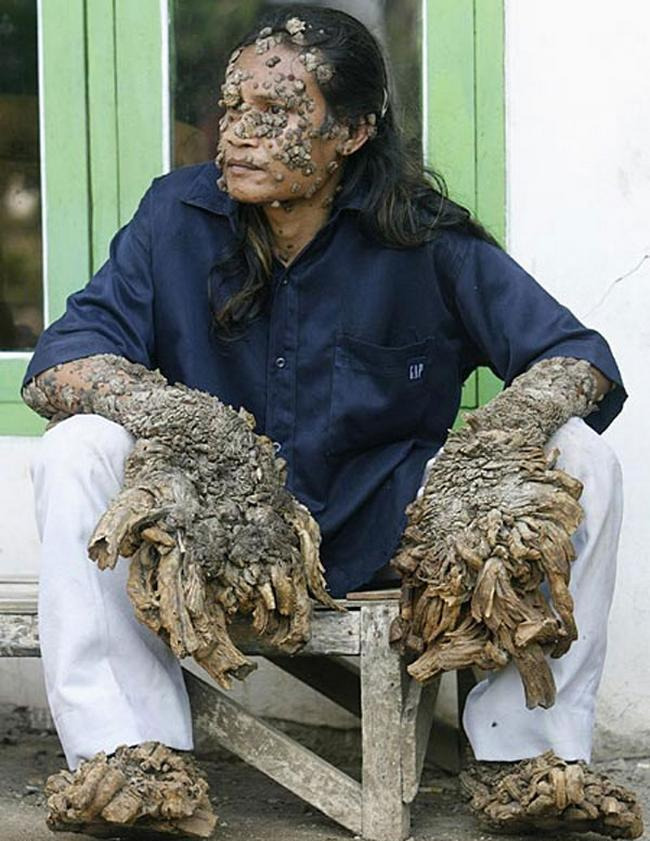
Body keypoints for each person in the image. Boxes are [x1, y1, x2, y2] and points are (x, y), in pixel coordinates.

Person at [22, 4, 639, 838]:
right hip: (221, 531)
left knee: (578, 454)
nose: (239, 134)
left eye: (275, 112)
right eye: (232, 107)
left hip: (388, 529)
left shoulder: (423, 236)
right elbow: (58, 364)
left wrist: (496, 445)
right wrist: (183, 423)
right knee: (78, 445)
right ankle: (127, 757)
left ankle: (529, 760)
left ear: (351, 131)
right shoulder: (174, 217)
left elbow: (580, 358)